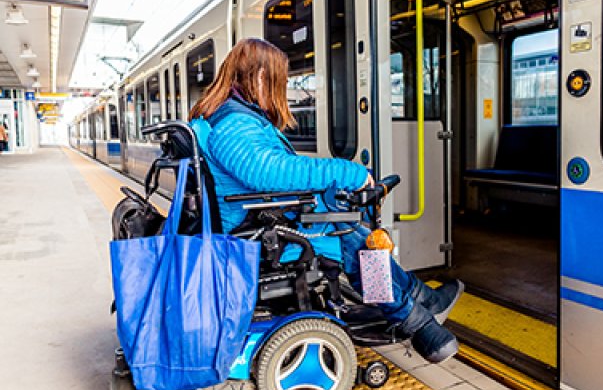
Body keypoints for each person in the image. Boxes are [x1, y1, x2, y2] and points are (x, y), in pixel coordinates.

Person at [189, 38, 463, 363]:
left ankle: (422, 299)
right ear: (261, 77)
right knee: (357, 244)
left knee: (353, 231)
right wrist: (347, 172)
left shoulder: (233, 117)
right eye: (281, 81)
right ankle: (414, 323)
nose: (285, 89)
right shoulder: (235, 123)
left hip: (262, 218)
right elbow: (267, 171)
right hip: (257, 232)